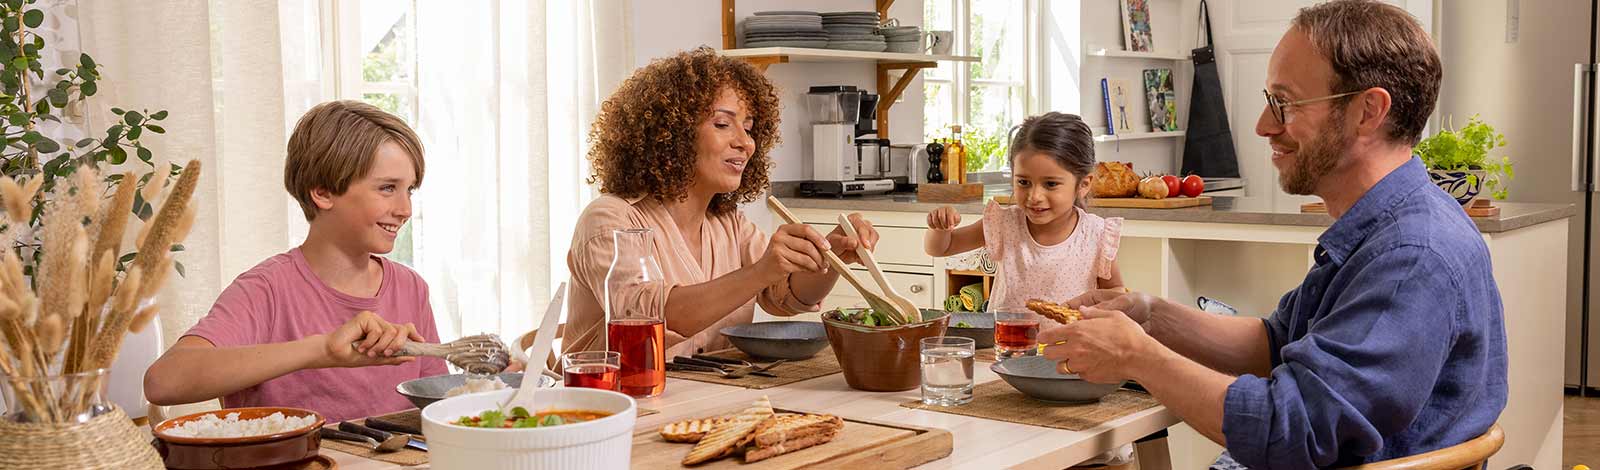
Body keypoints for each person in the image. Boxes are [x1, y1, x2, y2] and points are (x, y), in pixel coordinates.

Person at [1039, 2, 1506, 468]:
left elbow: (1291, 429)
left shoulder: (1411, 257)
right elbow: (1276, 341)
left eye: (1284, 103)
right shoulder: (1385, 227)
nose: (1263, 125)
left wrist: (1136, 356)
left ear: (1368, 111)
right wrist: (1150, 316)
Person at [565, 47, 880, 357]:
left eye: (748, 128)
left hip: (713, 400)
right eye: (722, 124)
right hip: (617, 403)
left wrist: (831, 256)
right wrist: (761, 271)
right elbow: (648, 317)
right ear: (673, 132)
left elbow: (786, 296)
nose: (745, 143)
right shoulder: (610, 221)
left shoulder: (729, 222)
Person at [144, 101, 447, 422]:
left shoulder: (411, 288)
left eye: (409, 190)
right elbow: (163, 382)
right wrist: (324, 350)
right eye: (387, 188)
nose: (405, 209)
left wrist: (497, 388)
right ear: (323, 192)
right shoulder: (266, 289)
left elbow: (438, 406)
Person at [924, 112, 1125, 314]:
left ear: (1083, 184)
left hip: (1069, 344)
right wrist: (940, 228)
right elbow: (942, 248)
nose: (1034, 195)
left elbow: (1114, 291)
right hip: (1007, 343)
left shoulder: (1095, 234)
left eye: (1051, 184)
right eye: (1023, 182)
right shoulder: (1004, 223)